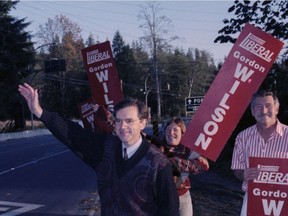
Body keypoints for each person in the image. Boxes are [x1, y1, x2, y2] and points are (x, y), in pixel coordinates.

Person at [18, 83, 180, 216]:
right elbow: (73, 134)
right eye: (118, 121)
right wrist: (40, 112)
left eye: (129, 121)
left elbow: (170, 209)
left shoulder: (158, 163)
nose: (122, 127)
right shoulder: (105, 149)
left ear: (143, 123)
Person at [231, 89, 288, 216]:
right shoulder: (242, 137)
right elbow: (237, 169)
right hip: (252, 201)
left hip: (284, 201)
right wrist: (243, 174)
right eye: (258, 106)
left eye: (268, 106)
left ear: (277, 109)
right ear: (252, 111)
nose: (263, 111)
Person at [147, 117, 209, 216]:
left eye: (175, 129)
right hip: (161, 196)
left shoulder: (189, 148)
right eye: (168, 130)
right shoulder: (157, 146)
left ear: (183, 133)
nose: (171, 133)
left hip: (182, 195)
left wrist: (178, 163)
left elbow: (204, 165)